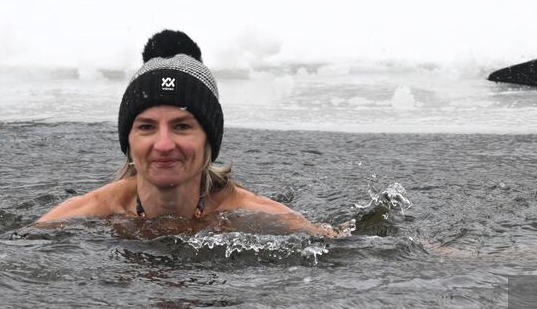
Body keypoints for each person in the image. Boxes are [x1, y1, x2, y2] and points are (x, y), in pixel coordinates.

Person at [36, 29, 335, 235]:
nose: (164, 144)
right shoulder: (85, 213)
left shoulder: (260, 215)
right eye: (147, 127)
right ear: (128, 140)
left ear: (209, 139)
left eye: (182, 126)